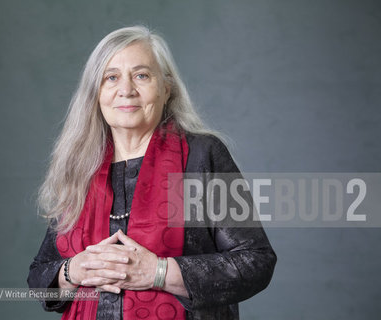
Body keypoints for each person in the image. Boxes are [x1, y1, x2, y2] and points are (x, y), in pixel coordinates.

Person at [27, 25, 276, 320]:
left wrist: (159, 272)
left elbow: (255, 262)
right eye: (111, 78)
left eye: (142, 75)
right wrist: (73, 270)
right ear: (96, 94)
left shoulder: (201, 156)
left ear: (166, 88)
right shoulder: (81, 166)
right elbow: (40, 278)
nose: (126, 90)